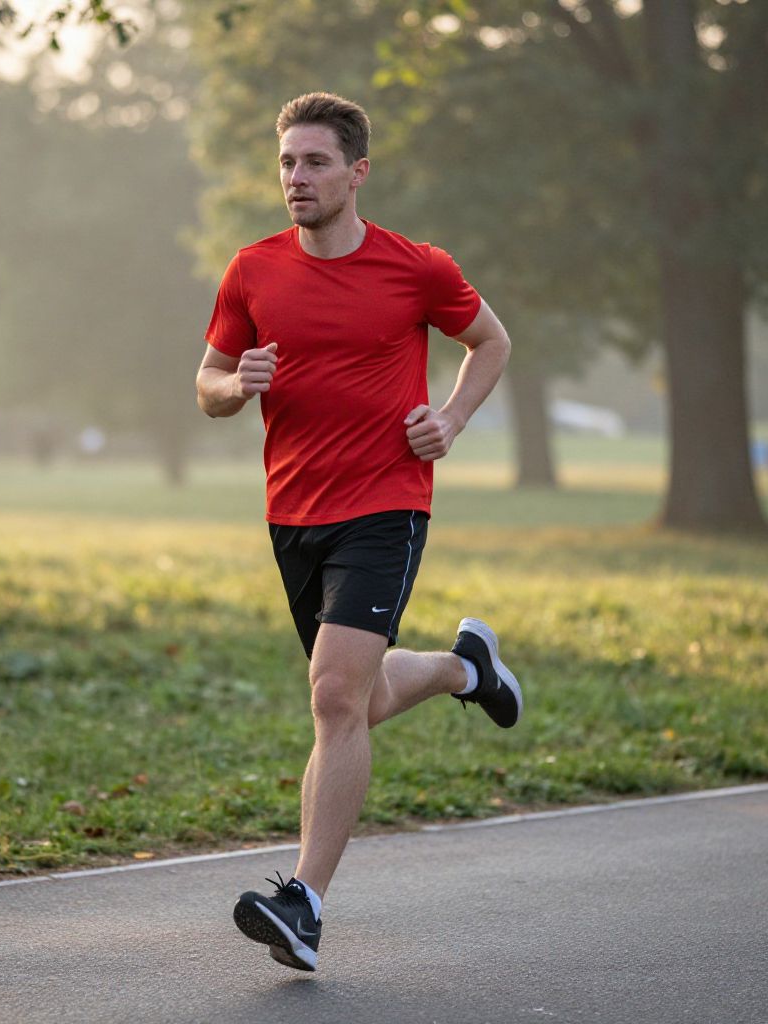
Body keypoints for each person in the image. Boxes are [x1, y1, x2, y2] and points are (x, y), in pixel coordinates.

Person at [196, 92, 523, 973]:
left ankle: (302, 903)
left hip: (386, 504)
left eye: (314, 163)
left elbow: (490, 342)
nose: (296, 179)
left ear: (356, 173)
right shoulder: (253, 270)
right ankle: (466, 667)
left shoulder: (416, 268)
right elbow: (208, 382)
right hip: (292, 512)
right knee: (363, 698)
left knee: (334, 697)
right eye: (287, 164)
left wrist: (449, 422)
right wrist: (240, 385)